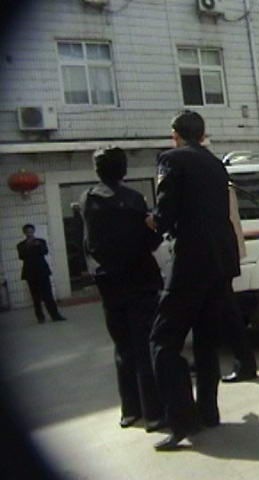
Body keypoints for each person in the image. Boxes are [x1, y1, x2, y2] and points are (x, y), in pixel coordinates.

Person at [146, 110, 241, 451]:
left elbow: (165, 214)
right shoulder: (215, 163)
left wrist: (152, 221)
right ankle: (209, 412)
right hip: (221, 262)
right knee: (206, 341)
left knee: (162, 340)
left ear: (176, 135)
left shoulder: (171, 160)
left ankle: (181, 420)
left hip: (191, 261)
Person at [79, 146, 165, 433]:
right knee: (145, 348)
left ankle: (130, 411)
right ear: (123, 169)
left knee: (122, 347)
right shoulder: (134, 199)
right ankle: (154, 414)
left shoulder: (87, 199)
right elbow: (150, 241)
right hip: (139, 280)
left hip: (109, 282)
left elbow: (89, 243)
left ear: (97, 170)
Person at [220, 182, 257, 383]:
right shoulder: (222, 186)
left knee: (229, 311)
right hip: (219, 256)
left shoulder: (221, 189)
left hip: (217, 258)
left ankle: (245, 363)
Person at [16, 224, 66, 323]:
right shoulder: (21, 245)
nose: (29, 233)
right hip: (30, 273)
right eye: (27, 232)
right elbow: (21, 256)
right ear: (24, 233)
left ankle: (55, 315)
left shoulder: (41, 241)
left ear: (34, 231)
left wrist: (37, 245)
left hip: (42, 272)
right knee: (35, 297)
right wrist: (29, 246)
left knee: (48, 295)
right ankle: (40, 317)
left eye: (31, 231)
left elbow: (45, 251)